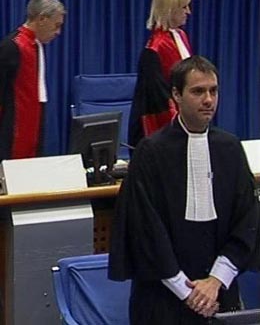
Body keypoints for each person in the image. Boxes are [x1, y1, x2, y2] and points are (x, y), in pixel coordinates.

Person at [109, 55, 259, 324]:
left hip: (219, 294)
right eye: (198, 91)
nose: (208, 100)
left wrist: (215, 281)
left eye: (213, 91)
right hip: (162, 296)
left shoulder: (230, 148)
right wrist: (185, 290)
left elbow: (246, 219)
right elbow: (145, 228)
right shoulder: (151, 152)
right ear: (176, 95)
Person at [0, 0, 65, 161]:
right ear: (42, 18)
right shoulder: (12, 47)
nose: (58, 32)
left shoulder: (37, 46)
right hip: (11, 135)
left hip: (33, 129)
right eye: (56, 25)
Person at [128, 0, 192, 149]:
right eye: (184, 7)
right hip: (162, 126)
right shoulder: (154, 48)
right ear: (170, 9)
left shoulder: (180, 37)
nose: (188, 12)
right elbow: (157, 100)